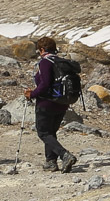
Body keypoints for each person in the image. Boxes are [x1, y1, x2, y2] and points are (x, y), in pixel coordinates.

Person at [25, 36, 77, 173]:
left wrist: (32, 94)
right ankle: (50, 162)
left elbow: (45, 85)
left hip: (47, 103)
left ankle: (64, 155)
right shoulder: (60, 61)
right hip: (62, 103)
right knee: (51, 133)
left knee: (43, 132)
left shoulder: (45, 62)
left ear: (42, 49)